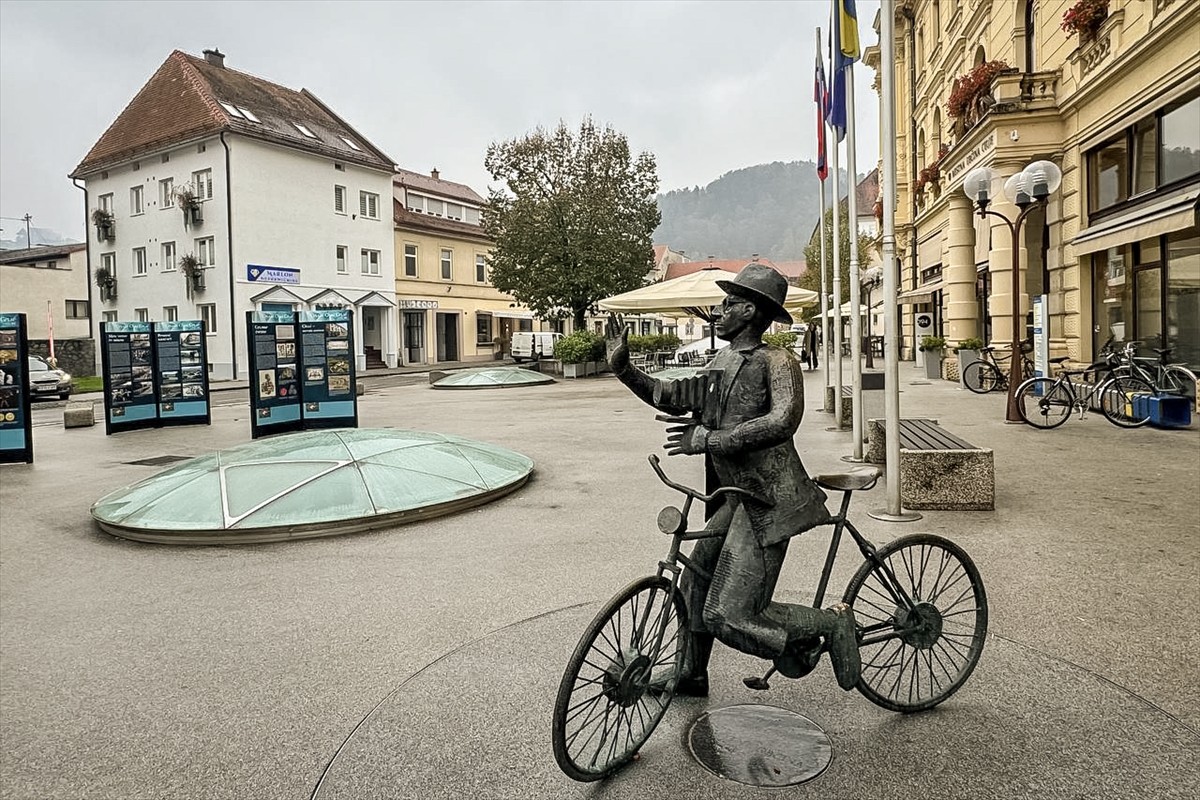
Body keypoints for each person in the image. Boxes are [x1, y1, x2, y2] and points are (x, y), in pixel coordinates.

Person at [606, 262, 860, 697]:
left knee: (728, 615)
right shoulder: (722, 360)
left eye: (728, 305)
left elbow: (783, 420)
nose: (719, 312)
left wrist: (710, 439)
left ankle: (831, 622)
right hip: (737, 497)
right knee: (694, 581)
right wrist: (625, 370)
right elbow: (675, 394)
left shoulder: (778, 361)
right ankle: (691, 672)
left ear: (749, 311)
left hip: (770, 500)